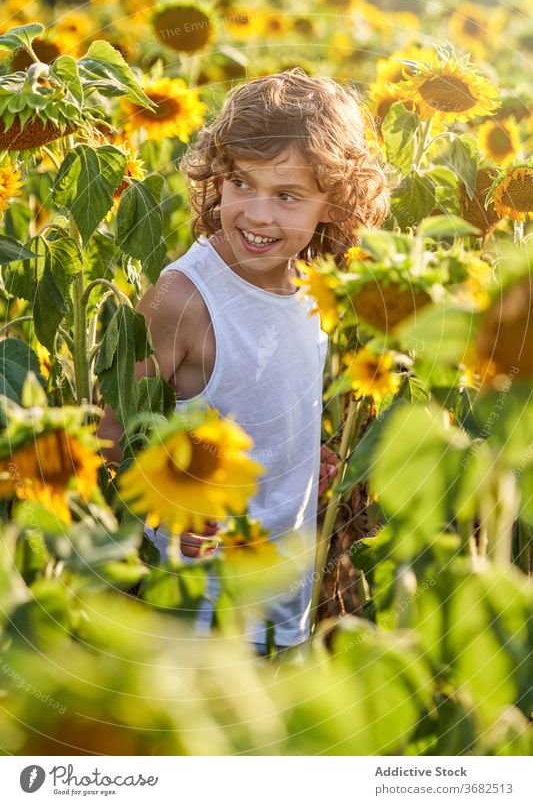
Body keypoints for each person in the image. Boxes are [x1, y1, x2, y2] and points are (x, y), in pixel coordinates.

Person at [98, 68, 389, 654]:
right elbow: (112, 440)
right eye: (240, 183)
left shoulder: (312, 288)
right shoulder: (183, 297)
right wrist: (170, 501)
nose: (257, 214)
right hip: (201, 606)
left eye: (287, 196)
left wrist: (308, 451)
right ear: (216, 178)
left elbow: (266, 401)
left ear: (333, 203)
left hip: (286, 590)